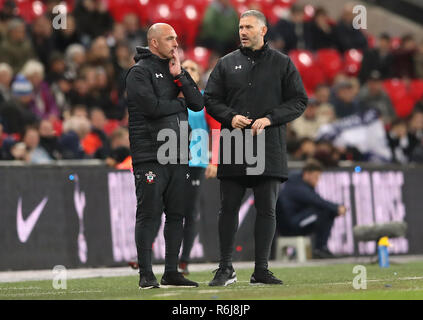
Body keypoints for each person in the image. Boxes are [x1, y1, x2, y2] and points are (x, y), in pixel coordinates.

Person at [204, 10, 308, 286]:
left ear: (263, 31)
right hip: (235, 143)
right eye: (240, 27)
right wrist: (230, 117)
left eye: (249, 27)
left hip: (268, 144)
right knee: (228, 209)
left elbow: (299, 100)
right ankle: (225, 268)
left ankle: (261, 269)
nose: (243, 31)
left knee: (267, 210)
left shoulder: (282, 63)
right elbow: (210, 99)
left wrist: (271, 118)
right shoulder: (226, 63)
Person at [125, 23, 204, 289]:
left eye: (177, 39)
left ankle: (172, 271)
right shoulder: (138, 73)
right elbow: (152, 107)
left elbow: (198, 103)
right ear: (154, 42)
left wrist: (180, 74)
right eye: (170, 39)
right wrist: (179, 103)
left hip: (178, 153)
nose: (176, 43)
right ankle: (145, 274)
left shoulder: (174, 71)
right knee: (149, 213)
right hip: (150, 154)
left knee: (176, 214)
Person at [178, 59, 219, 275]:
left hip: (196, 161)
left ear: (199, 75)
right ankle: (169, 256)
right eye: (185, 67)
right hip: (172, 160)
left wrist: (214, 160)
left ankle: (183, 260)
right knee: (170, 209)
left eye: (193, 68)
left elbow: (216, 129)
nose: (188, 71)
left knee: (190, 210)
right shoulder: (171, 97)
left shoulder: (204, 100)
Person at [276, 159, 347, 259]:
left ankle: (321, 247)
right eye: (316, 177)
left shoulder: (302, 184)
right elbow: (316, 200)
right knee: (325, 211)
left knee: (327, 212)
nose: (317, 181)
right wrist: (336, 208)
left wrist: (334, 209)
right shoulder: (296, 185)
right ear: (307, 174)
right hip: (290, 226)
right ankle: (319, 249)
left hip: (297, 220)